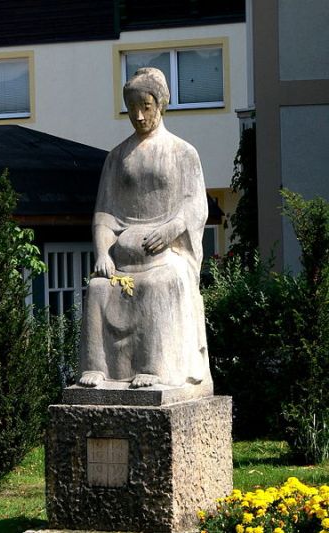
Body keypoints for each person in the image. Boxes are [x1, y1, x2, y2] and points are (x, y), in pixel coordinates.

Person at [78, 67, 212, 389]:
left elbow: (196, 205)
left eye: (146, 106)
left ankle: (155, 368)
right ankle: (98, 368)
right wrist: (102, 253)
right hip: (123, 265)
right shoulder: (116, 158)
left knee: (157, 285)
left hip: (166, 259)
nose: (138, 116)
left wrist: (171, 229)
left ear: (161, 104)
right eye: (132, 108)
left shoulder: (183, 153)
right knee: (97, 289)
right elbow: (105, 214)